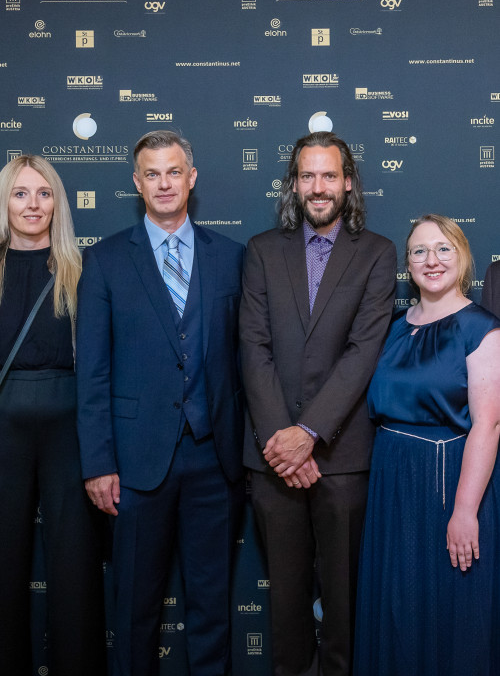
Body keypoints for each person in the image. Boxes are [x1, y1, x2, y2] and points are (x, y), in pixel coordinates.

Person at [76, 129, 245, 676]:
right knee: (134, 610)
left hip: (214, 460)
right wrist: (99, 462)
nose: (165, 183)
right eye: (153, 173)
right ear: (136, 182)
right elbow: (93, 373)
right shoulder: (103, 262)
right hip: (134, 462)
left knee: (212, 610)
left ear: (192, 178)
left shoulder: (232, 259)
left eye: (174, 171)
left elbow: (247, 362)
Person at [239, 130, 396, 676]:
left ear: (348, 182)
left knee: (344, 607)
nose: (319, 186)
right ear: (294, 183)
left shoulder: (377, 253)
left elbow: (363, 353)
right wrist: (282, 439)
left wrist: (307, 434)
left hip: (341, 456)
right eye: (308, 175)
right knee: (284, 606)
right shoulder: (261, 250)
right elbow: (252, 348)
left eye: (330, 175)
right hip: (272, 458)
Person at [354, 214, 500, 676]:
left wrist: (464, 510)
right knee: (397, 606)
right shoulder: (393, 326)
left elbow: (488, 426)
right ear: (407, 264)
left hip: (449, 482)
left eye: (443, 249)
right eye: (419, 251)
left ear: (462, 258)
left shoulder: (482, 329)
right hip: (392, 483)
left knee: (452, 611)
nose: (430, 260)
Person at [0, 155, 106, 676]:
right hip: (3, 429)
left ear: (57, 203)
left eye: (44, 194)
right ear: (4, 202)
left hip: (70, 426)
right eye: (20, 193)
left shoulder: (82, 270)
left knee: (74, 564)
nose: (32, 205)